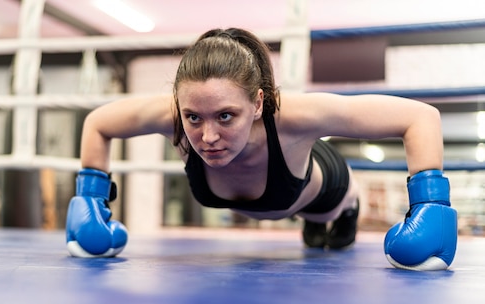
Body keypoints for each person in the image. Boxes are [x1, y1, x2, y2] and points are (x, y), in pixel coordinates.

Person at [65, 27, 457, 271]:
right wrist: (90, 203)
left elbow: (420, 117)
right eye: (194, 118)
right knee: (313, 239)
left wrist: (430, 209)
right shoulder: (172, 118)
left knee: (329, 230)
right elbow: (98, 124)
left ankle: (342, 212)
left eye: (225, 116)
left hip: (323, 187)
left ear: (257, 103)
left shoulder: (295, 115)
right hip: (278, 197)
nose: (208, 137)